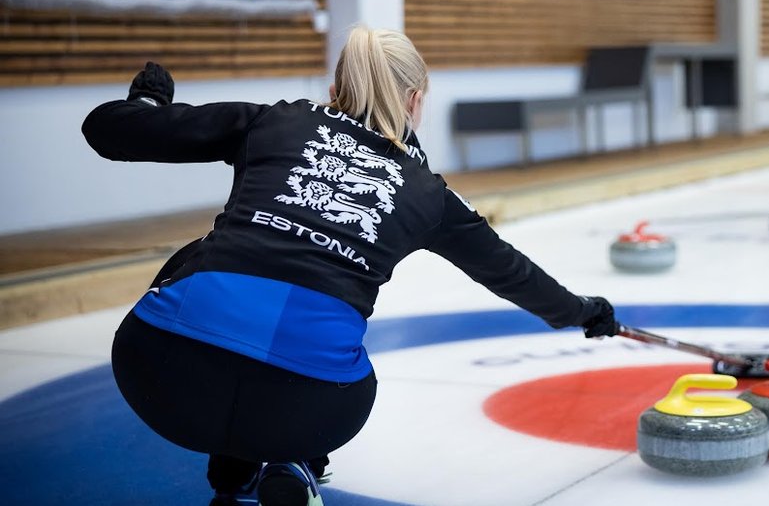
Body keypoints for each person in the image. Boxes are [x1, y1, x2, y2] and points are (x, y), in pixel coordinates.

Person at [82, 26, 619, 506]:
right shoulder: (428, 196)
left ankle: (242, 462)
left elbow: (109, 131)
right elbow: (512, 274)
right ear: (415, 99)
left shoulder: (274, 121)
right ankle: (291, 457)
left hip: (159, 374)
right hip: (311, 405)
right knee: (324, 333)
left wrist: (149, 103)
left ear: (336, 90)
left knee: (203, 258)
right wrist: (583, 312)